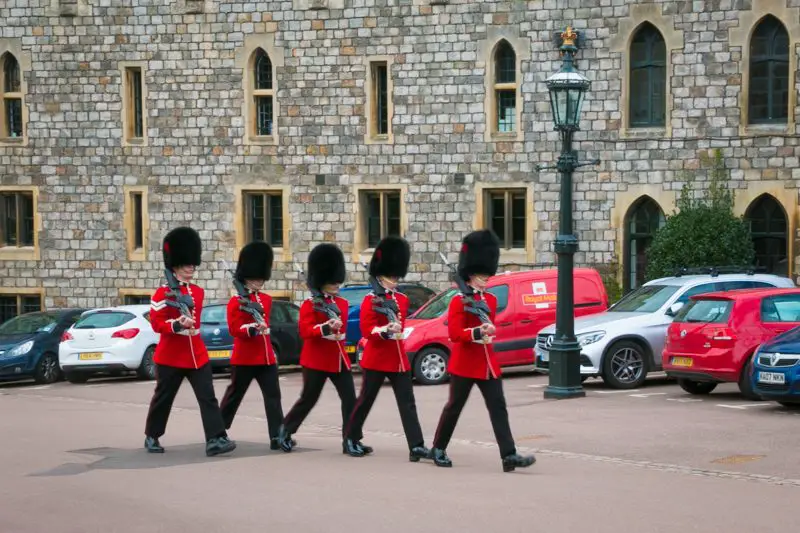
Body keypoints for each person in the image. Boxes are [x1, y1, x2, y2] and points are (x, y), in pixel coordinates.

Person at [430, 230, 535, 472]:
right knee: (454, 407)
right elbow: (455, 334)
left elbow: (490, 324)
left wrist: (488, 329)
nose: (485, 279)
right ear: (469, 275)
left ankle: (509, 455)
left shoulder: (490, 300)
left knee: (498, 406)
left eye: (487, 276)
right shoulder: (459, 301)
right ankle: (438, 447)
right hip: (465, 364)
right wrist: (477, 333)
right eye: (480, 276)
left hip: (487, 363)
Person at [144, 226, 236, 457]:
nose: (191, 268)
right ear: (175, 265)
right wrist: (176, 324)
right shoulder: (161, 294)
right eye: (187, 264)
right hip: (171, 355)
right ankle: (152, 435)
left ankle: (215, 439)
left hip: (196, 353)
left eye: (193, 264)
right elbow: (157, 324)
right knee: (164, 397)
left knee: (207, 396)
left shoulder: (197, 291)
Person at [275, 243, 371, 455]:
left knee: (350, 400)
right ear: (321, 282)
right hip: (316, 360)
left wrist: (337, 329)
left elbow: (342, 330)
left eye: (337, 281)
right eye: (331, 282)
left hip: (338, 359)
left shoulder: (343, 304)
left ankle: (351, 440)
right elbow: (306, 331)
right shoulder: (310, 305)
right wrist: (326, 327)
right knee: (308, 399)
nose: (336, 284)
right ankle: (285, 430)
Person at [343, 236, 430, 462]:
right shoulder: (370, 300)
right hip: (377, 358)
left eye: (395, 276)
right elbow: (366, 330)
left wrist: (395, 328)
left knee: (407, 403)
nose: (394, 280)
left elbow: (400, 324)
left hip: (398, 358)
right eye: (390, 277)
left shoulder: (400, 299)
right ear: (380, 277)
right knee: (365, 401)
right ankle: (351, 438)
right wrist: (384, 330)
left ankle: (416, 445)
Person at [219, 241, 284, 450]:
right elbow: (234, 329)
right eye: (255, 278)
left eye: (261, 278)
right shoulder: (236, 301)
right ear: (246, 277)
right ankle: (217, 432)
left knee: (273, 397)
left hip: (266, 357)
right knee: (234, 396)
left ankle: (277, 436)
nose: (259, 282)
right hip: (245, 357)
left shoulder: (265, 299)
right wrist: (252, 328)